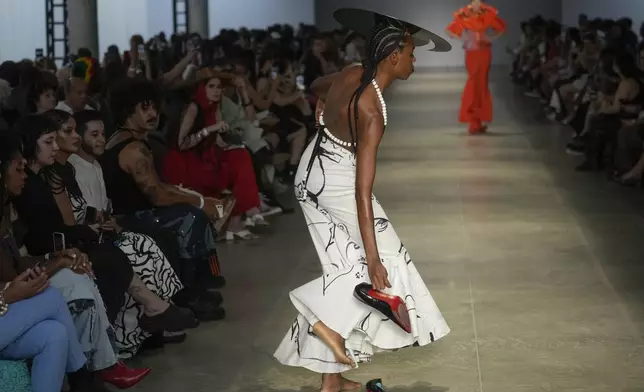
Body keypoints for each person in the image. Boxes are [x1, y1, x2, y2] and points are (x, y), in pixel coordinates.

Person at [273, 8, 451, 392]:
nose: (415, 59)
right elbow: (361, 190)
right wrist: (372, 257)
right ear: (392, 58)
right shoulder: (372, 112)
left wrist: (324, 105)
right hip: (336, 181)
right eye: (411, 53)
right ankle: (314, 311)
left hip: (311, 172)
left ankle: (331, 382)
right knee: (380, 265)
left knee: (342, 263)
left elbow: (320, 83)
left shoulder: (353, 73)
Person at [446, 0, 506, 134]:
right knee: (473, 83)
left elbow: (502, 28)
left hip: (484, 52)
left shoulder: (487, 14)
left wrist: (490, 38)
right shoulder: (464, 15)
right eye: (474, 1)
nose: (477, 4)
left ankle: (478, 121)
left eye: (479, 1)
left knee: (482, 84)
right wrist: (464, 39)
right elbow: (449, 30)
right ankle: (473, 120)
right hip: (472, 54)